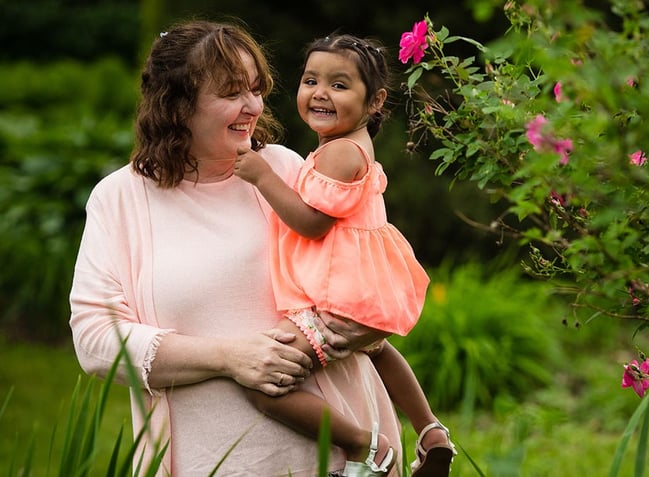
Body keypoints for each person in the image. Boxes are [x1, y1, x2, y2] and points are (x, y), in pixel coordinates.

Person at [69, 19, 401, 477]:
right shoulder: (120, 199)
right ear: (177, 105)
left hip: (333, 460)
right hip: (206, 462)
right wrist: (230, 358)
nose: (253, 106)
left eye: (255, 88)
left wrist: (363, 328)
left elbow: (369, 267)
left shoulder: (287, 169)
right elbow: (95, 339)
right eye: (231, 93)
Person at [233, 34, 456, 477]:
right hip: (363, 295)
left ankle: (365, 447)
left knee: (265, 385)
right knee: (377, 350)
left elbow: (312, 222)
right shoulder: (352, 148)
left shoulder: (338, 153)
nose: (319, 92)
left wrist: (262, 177)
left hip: (339, 300)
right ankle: (430, 430)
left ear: (375, 101)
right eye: (310, 79)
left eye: (339, 85)